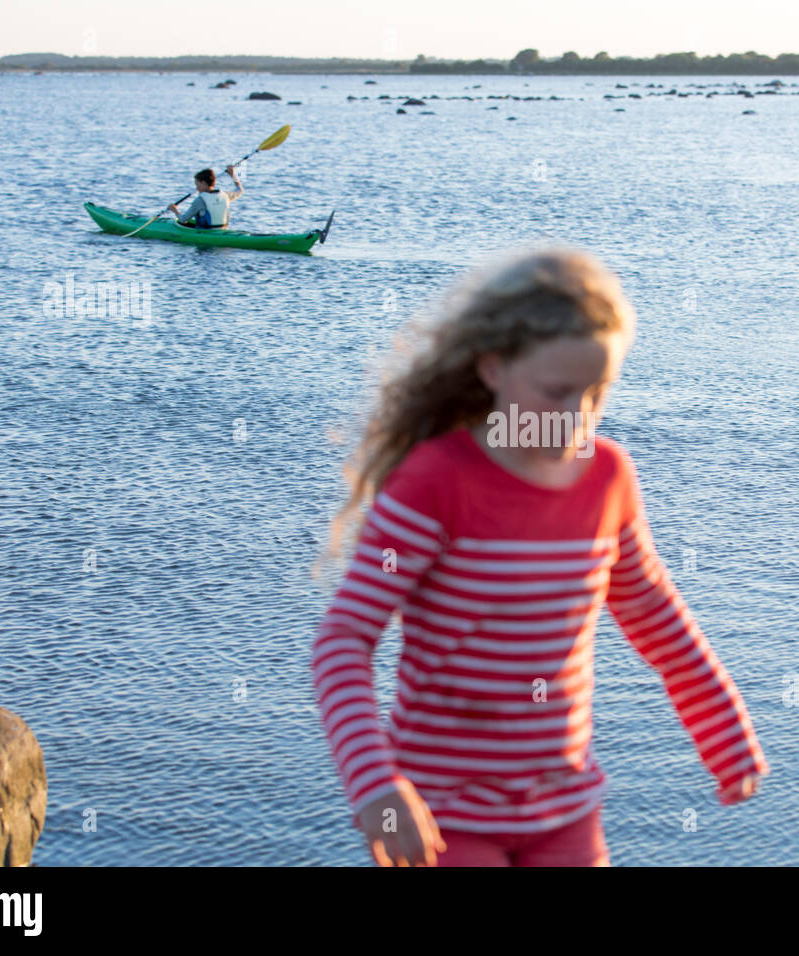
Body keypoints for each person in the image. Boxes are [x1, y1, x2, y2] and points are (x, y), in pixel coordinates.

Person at [310, 248, 769, 867]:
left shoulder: (607, 477)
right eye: (556, 394)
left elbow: (653, 613)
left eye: (597, 392)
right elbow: (344, 640)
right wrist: (376, 790)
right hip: (444, 816)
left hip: (565, 809)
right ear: (493, 368)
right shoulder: (436, 482)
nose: (577, 419)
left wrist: (725, 731)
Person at [168, 166, 242, 229]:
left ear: (203, 183)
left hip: (206, 232)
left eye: (197, 185)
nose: (197, 188)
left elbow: (183, 220)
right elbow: (240, 190)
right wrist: (233, 174)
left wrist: (175, 210)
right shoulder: (225, 195)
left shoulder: (200, 200)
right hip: (224, 230)